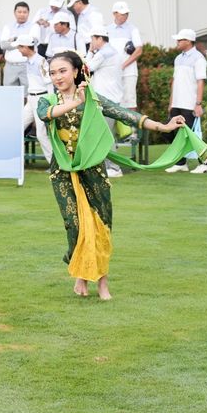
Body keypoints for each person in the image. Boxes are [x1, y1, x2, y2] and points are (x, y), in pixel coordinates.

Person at [37, 50, 185, 299]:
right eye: (53, 73)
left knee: (100, 227)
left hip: (93, 171)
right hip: (63, 172)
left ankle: (102, 283)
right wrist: (75, 102)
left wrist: (164, 126)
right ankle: (81, 273)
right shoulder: (47, 100)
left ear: (76, 71)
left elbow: (125, 114)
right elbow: (45, 114)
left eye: (62, 71)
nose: (57, 77)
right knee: (75, 226)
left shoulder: (93, 99)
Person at [164, 29, 207, 174]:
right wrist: (171, 103)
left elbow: (200, 82)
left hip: (190, 104)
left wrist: (198, 104)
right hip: (177, 103)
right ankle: (181, 163)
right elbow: (175, 82)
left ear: (188, 41)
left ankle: (205, 164)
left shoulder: (198, 58)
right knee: (176, 134)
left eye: (180, 40)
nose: (177, 42)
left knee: (193, 135)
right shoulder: (178, 58)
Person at [14, 34, 54, 163]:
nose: (18, 50)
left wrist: (50, 103)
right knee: (18, 127)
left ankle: (55, 165)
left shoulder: (41, 61)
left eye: (20, 47)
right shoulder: (29, 61)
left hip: (41, 99)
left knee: (41, 134)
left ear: (26, 47)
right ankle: (14, 161)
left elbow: (49, 83)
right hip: (32, 99)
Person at [107, 2, 145, 110]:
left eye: (126, 14)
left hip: (129, 72)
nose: (125, 16)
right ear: (114, 13)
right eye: (122, 14)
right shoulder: (107, 30)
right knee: (113, 100)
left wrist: (123, 65)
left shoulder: (133, 29)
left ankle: (131, 122)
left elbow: (139, 50)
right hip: (112, 72)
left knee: (129, 101)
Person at [0, 2, 35, 92]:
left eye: (24, 12)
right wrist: (23, 41)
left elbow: (32, 44)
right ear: (14, 12)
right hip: (10, 66)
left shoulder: (34, 26)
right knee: (9, 93)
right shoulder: (8, 26)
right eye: (19, 12)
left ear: (28, 13)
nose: (22, 14)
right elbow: (3, 45)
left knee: (28, 92)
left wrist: (14, 40)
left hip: (27, 65)